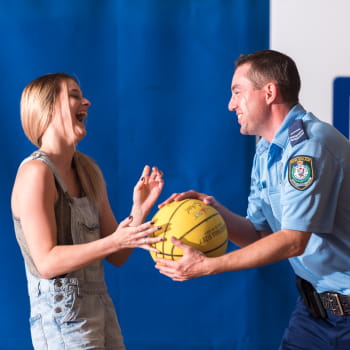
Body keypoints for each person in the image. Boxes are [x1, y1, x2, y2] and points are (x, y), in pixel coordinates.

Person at [155, 50, 350, 349]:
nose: (231, 104)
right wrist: (214, 212)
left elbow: (293, 241)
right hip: (316, 311)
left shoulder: (309, 148)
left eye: (237, 92)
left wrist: (209, 265)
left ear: (269, 92)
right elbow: (260, 235)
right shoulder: (266, 151)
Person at [11, 73, 165, 350]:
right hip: (62, 317)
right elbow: (46, 263)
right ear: (45, 108)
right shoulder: (36, 172)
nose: (87, 102)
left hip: (101, 309)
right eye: (73, 95)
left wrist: (138, 210)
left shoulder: (87, 171)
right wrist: (115, 240)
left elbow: (117, 255)